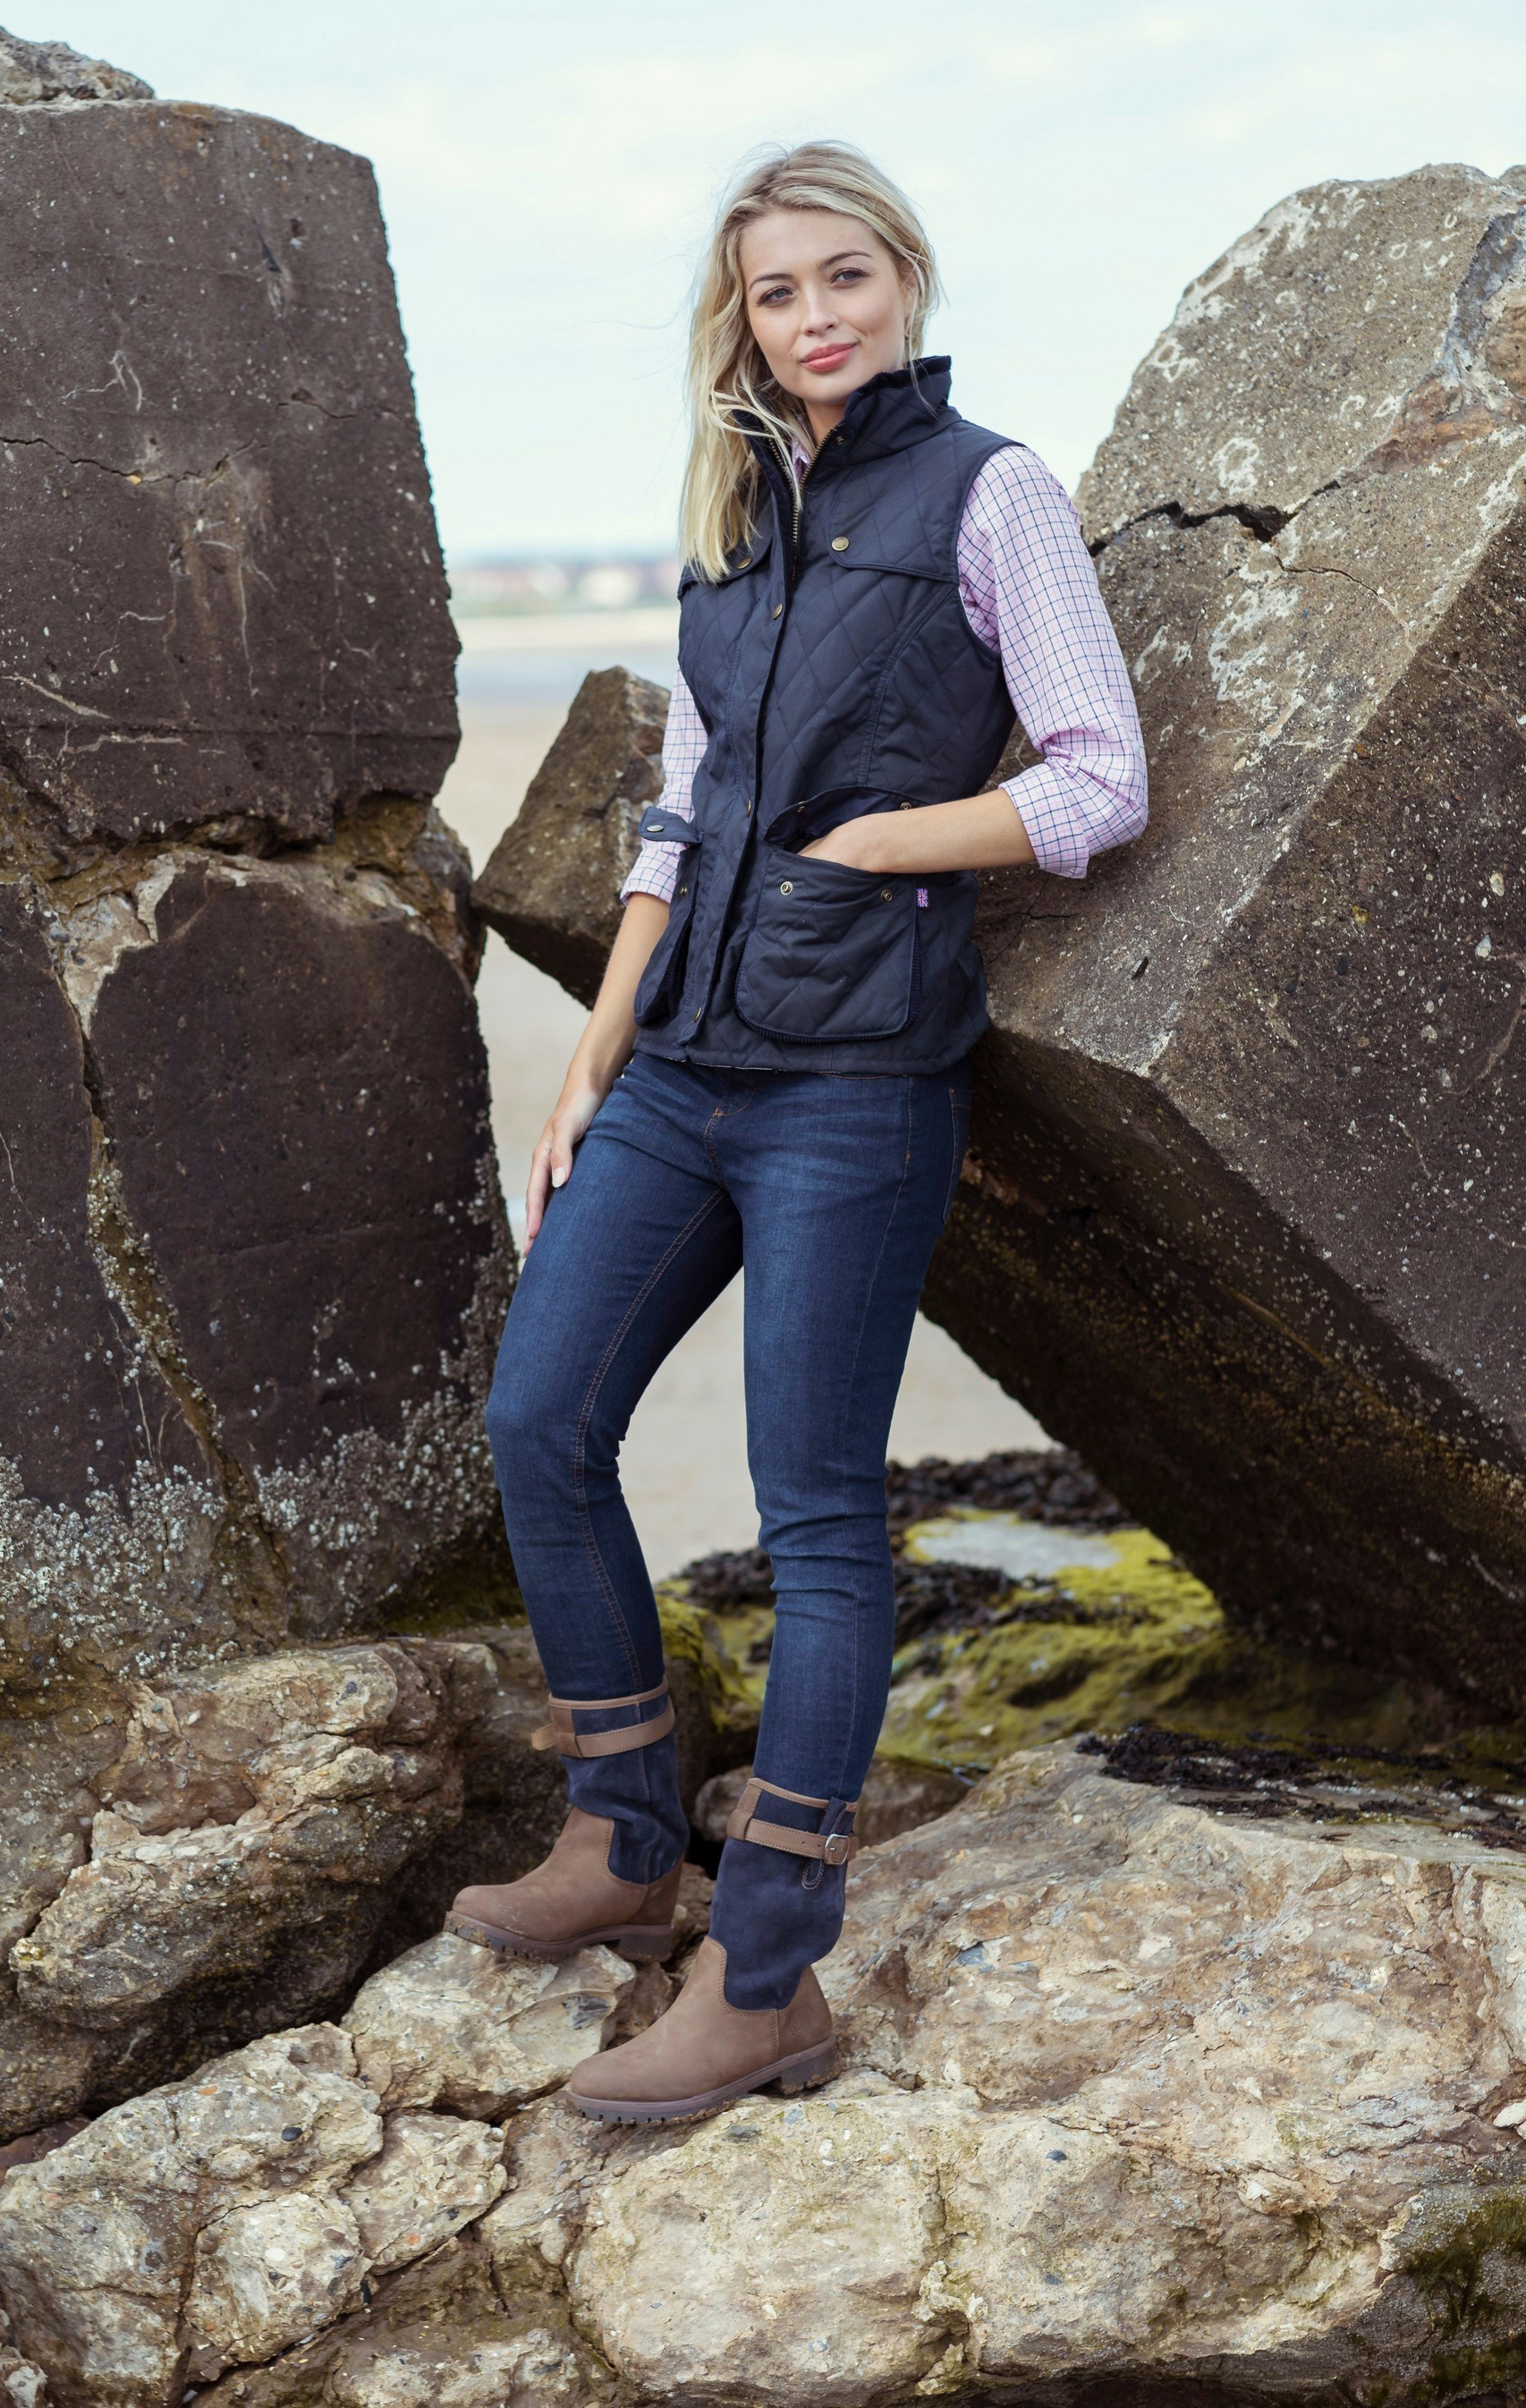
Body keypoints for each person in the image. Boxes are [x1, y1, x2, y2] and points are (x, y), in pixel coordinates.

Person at [448, 141, 1148, 2124]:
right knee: (541, 1419)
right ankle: (619, 1835)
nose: (816, 315)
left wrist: (884, 841)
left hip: (856, 1084)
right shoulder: (731, 511)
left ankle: (766, 1981)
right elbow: (680, 810)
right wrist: (596, 1045)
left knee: (821, 1510)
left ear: (904, 283)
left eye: (846, 276)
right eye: (777, 291)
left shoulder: (990, 493)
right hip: (682, 1064)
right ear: (737, 321)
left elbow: (1098, 774)